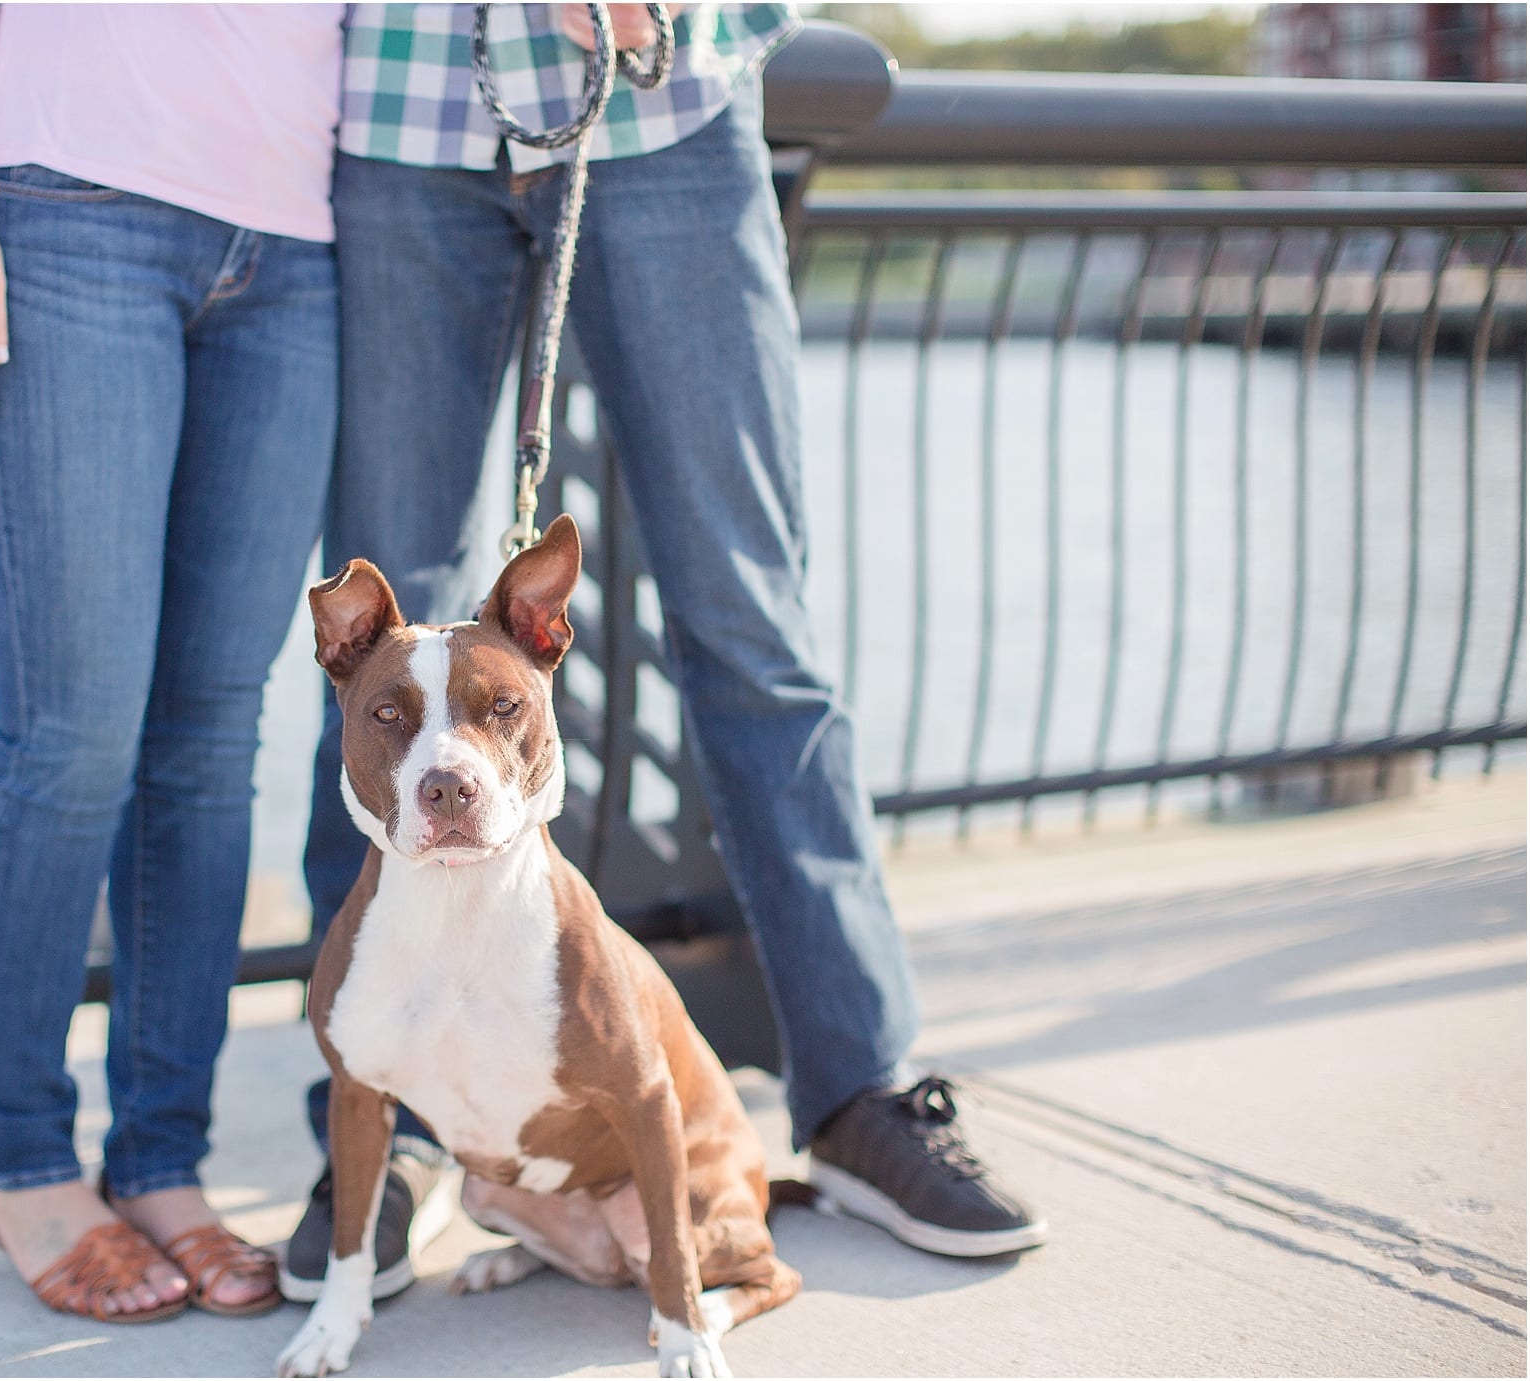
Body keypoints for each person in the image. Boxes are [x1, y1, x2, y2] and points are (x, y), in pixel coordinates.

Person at [283, 1, 1045, 1303]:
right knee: (385, 662)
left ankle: (857, 1087)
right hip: (406, 106)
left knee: (754, 625)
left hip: (662, 96)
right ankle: (394, 1116)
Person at [0, 3, 343, 1321]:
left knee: (210, 741)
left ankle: (161, 1160)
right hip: (63, 206)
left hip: (298, 247)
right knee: (72, 727)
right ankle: (20, 1154)